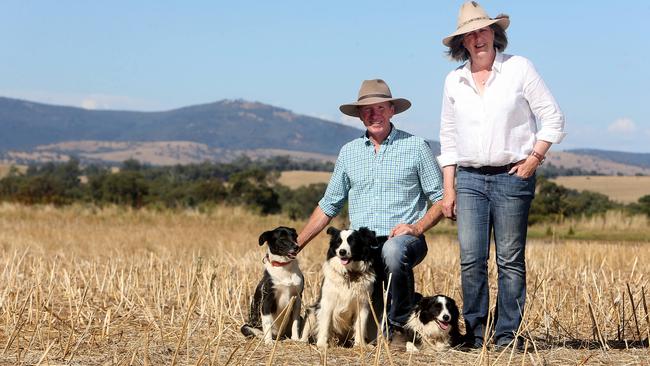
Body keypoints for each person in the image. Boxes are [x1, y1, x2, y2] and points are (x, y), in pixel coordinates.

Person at [438, 1, 566, 350]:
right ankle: (476, 334)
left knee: (510, 259)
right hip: (469, 180)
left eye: (483, 30)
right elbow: (448, 139)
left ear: (495, 34)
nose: (477, 38)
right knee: (471, 259)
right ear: (461, 43)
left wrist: (533, 159)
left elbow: (553, 118)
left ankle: (506, 335)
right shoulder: (454, 80)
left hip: (512, 178)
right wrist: (449, 189)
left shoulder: (520, 68)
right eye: (469, 34)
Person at [297, 79, 444, 341]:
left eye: (379, 108)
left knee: (393, 251)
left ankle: (401, 328)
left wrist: (417, 227)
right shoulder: (349, 152)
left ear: (392, 110)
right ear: (360, 115)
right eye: (367, 110)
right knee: (370, 335)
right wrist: (296, 244)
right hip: (362, 245)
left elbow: (442, 199)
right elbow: (329, 203)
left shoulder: (417, 147)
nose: (373, 114)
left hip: (403, 239)